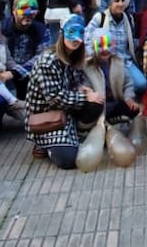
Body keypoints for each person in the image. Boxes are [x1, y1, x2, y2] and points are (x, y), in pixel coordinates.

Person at [24, 14, 104, 167]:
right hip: (47, 115)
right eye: (72, 32)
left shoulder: (74, 56)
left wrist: (86, 90)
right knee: (68, 160)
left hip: (67, 110)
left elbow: (76, 81)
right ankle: (44, 144)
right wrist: (85, 98)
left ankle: (76, 133)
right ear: (61, 33)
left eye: (81, 33)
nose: (76, 38)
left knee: (96, 102)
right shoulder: (48, 61)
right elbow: (55, 98)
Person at [85, 0, 146, 96]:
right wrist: (92, 56)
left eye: (122, 1)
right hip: (106, 60)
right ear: (110, 3)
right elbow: (87, 37)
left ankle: (121, 90)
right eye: (116, 1)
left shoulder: (128, 18)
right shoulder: (100, 17)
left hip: (124, 60)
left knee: (141, 84)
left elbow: (131, 42)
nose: (120, 4)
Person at [1, 0, 52, 99]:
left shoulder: (42, 30)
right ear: (14, 11)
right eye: (23, 10)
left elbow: (41, 57)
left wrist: (16, 72)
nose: (28, 15)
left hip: (31, 75)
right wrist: (11, 71)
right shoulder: (1, 28)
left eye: (32, 11)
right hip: (4, 73)